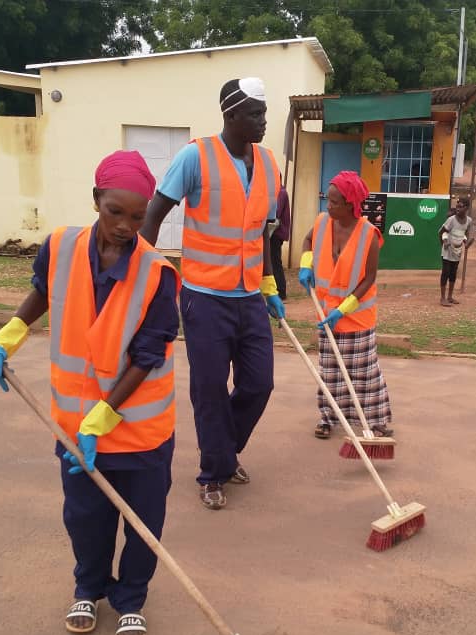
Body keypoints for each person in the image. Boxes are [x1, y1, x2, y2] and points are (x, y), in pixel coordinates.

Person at [0, 150, 179, 635]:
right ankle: (88, 588)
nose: (127, 226)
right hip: (73, 425)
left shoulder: (159, 274)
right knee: (85, 517)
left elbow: (148, 354)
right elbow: (43, 293)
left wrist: (106, 414)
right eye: (116, 212)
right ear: (96, 200)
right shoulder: (60, 247)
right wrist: (9, 334)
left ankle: (131, 597)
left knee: (142, 519)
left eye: (138, 216)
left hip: (138, 427)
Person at [141, 77, 282, 511]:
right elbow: (151, 219)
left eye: (264, 113)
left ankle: (223, 453)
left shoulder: (270, 163)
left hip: (249, 297)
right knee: (209, 389)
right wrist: (145, 284)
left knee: (259, 384)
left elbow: (267, 235)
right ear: (232, 115)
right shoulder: (194, 157)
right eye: (255, 114)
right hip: (203, 297)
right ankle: (213, 471)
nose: (262, 122)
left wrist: (271, 285)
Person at [298, 171, 393, 439]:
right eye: (327, 200)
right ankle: (328, 417)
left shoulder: (369, 235)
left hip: (357, 317)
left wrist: (345, 308)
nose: (328, 206)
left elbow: (369, 278)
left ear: (351, 204)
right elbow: (307, 241)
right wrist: (306, 266)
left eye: (334, 202)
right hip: (327, 313)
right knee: (330, 370)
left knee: (364, 373)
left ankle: (375, 421)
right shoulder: (322, 222)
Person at [438, 197, 474, 305]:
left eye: (461, 206)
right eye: (457, 206)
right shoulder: (451, 220)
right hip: (447, 251)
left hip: (458, 251)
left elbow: (466, 232)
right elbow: (440, 232)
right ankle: (442, 298)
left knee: (453, 274)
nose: (458, 208)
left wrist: (466, 242)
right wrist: (443, 243)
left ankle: (450, 297)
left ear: (466, 208)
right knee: (446, 273)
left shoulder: (469, 221)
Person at [269, 175, 291, 300]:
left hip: (276, 233)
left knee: (275, 261)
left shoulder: (281, 193)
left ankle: (281, 292)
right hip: (275, 232)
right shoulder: (278, 192)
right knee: (273, 261)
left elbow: (275, 213)